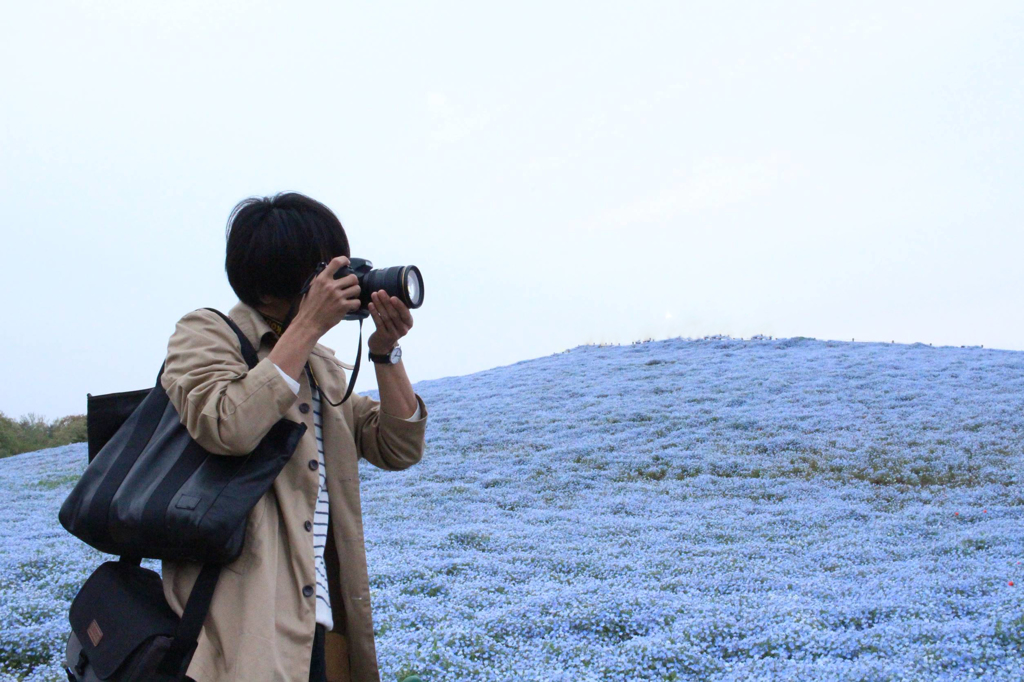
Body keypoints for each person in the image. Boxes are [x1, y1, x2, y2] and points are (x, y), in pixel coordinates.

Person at [159, 192, 428, 682]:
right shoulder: (204, 333)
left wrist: (386, 352)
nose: (339, 280)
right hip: (240, 627)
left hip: (324, 621)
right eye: (323, 267)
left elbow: (397, 446)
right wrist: (305, 327)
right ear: (271, 280)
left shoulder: (320, 362)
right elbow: (228, 426)